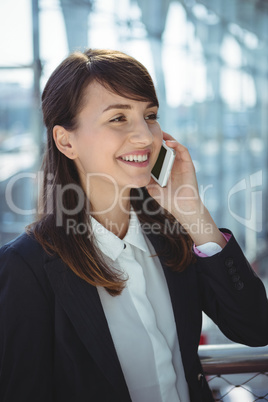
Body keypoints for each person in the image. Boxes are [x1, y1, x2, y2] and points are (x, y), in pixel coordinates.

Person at [0, 49, 267, 402]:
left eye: (150, 115)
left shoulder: (174, 236)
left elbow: (253, 326)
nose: (144, 136)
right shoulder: (27, 267)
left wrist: (193, 213)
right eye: (118, 119)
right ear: (66, 141)